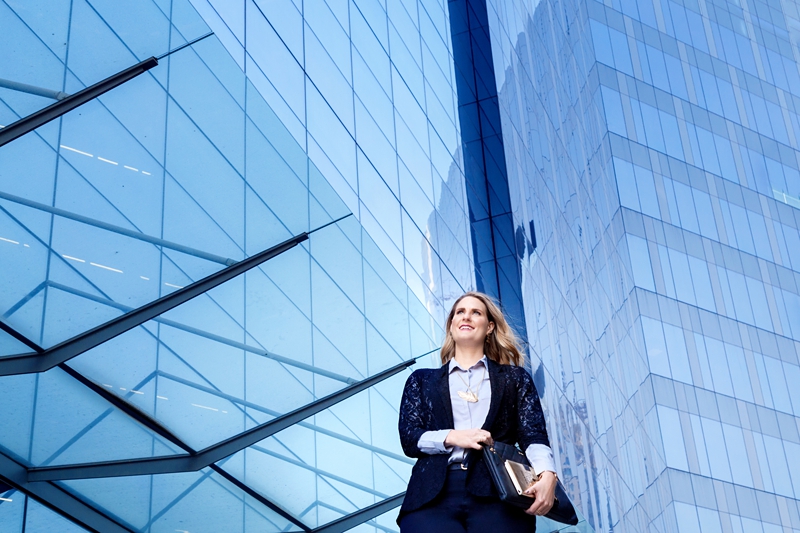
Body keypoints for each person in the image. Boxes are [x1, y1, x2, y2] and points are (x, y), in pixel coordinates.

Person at [397, 291, 557, 532]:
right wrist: (454, 436)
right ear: (451, 326)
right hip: (431, 496)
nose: (467, 317)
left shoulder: (514, 379)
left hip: (498, 493)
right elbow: (410, 438)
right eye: (460, 312)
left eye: (476, 312)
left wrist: (548, 475)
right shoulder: (421, 380)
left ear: (489, 326)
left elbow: (533, 435)